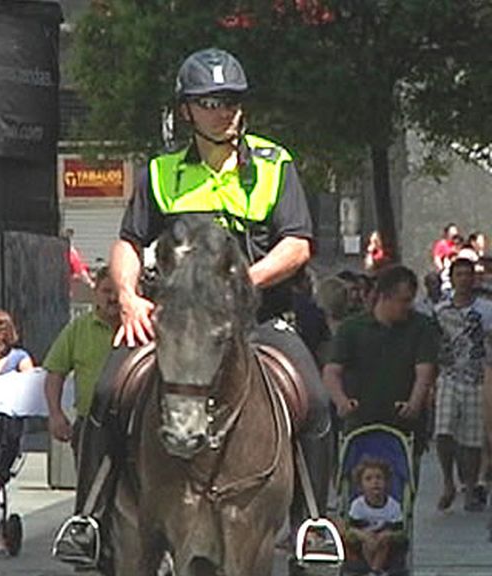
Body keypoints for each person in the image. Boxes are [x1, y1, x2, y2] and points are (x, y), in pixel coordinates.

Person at [53, 47, 333, 567]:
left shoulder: (275, 165)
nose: (223, 111)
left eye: (230, 101)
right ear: (187, 111)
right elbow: (128, 243)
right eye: (209, 102)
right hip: (178, 324)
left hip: (259, 319)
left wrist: (241, 282)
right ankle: (88, 517)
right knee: (110, 389)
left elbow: (297, 244)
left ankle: (315, 522)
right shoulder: (160, 173)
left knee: (314, 399)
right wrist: (131, 296)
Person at [323, 266, 438, 464]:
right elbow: (331, 371)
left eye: (410, 300)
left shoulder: (422, 326)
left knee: (402, 488)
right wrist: (341, 401)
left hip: (404, 426)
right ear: (384, 297)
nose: (408, 306)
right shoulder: (352, 329)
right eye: (403, 300)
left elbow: (425, 371)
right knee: (360, 486)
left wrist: (415, 403)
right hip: (361, 423)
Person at [431, 258, 492, 512]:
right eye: (460, 274)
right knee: (443, 431)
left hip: (478, 377)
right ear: (452, 278)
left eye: (469, 274)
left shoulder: (487, 309)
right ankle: (448, 481)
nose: (464, 279)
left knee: (472, 439)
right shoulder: (440, 310)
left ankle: (469, 485)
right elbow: (434, 342)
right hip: (449, 376)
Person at [44, 267, 120, 457]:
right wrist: (55, 414)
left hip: (135, 426)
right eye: (106, 291)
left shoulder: (144, 329)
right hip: (91, 426)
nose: (112, 298)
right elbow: (55, 372)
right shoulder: (78, 328)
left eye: (118, 292)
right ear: (95, 293)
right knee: (91, 486)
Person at [343, 457, 406, 574]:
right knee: (367, 542)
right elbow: (351, 529)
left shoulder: (393, 506)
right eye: (368, 479)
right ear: (360, 486)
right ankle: (373, 570)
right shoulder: (358, 505)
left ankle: (374, 570)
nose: (375, 482)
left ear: (386, 483)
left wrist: (387, 534)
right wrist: (364, 536)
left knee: (383, 543)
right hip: (364, 544)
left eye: (379, 478)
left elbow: (400, 532)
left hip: (387, 545)